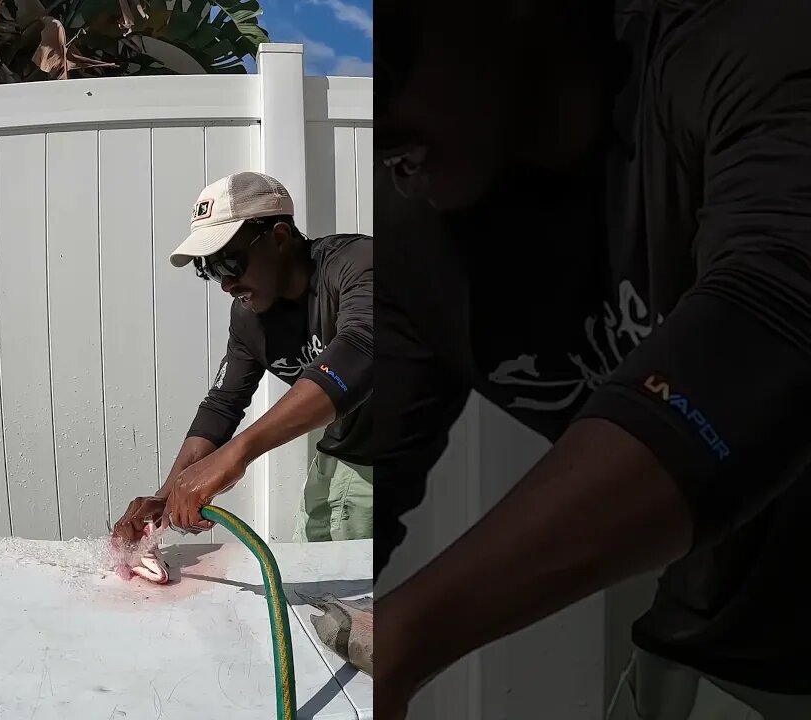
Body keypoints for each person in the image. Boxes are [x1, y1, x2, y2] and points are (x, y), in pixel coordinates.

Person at [371, 0, 811, 718]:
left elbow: (771, 327)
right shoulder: (419, 241)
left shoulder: (748, 46)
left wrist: (404, 636)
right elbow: (361, 475)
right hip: (695, 652)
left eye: (381, 54)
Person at [109, 171, 381, 560]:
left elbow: (362, 351)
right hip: (338, 460)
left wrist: (236, 454)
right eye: (209, 269)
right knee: (316, 602)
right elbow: (223, 404)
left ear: (280, 238)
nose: (224, 284)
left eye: (230, 263)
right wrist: (164, 498)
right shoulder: (249, 317)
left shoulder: (359, 265)